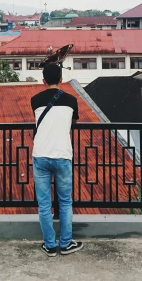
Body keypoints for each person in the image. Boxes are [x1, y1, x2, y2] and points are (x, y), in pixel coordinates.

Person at [30, 63, 84, 257]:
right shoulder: (71, 100)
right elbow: (74, 121)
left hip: (41, 154)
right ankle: (66, 243)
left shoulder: (35, 100)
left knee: (44, 203)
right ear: (61, 79)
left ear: (43, 81)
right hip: (62, 154)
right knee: (65, 201)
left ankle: (50, 245)